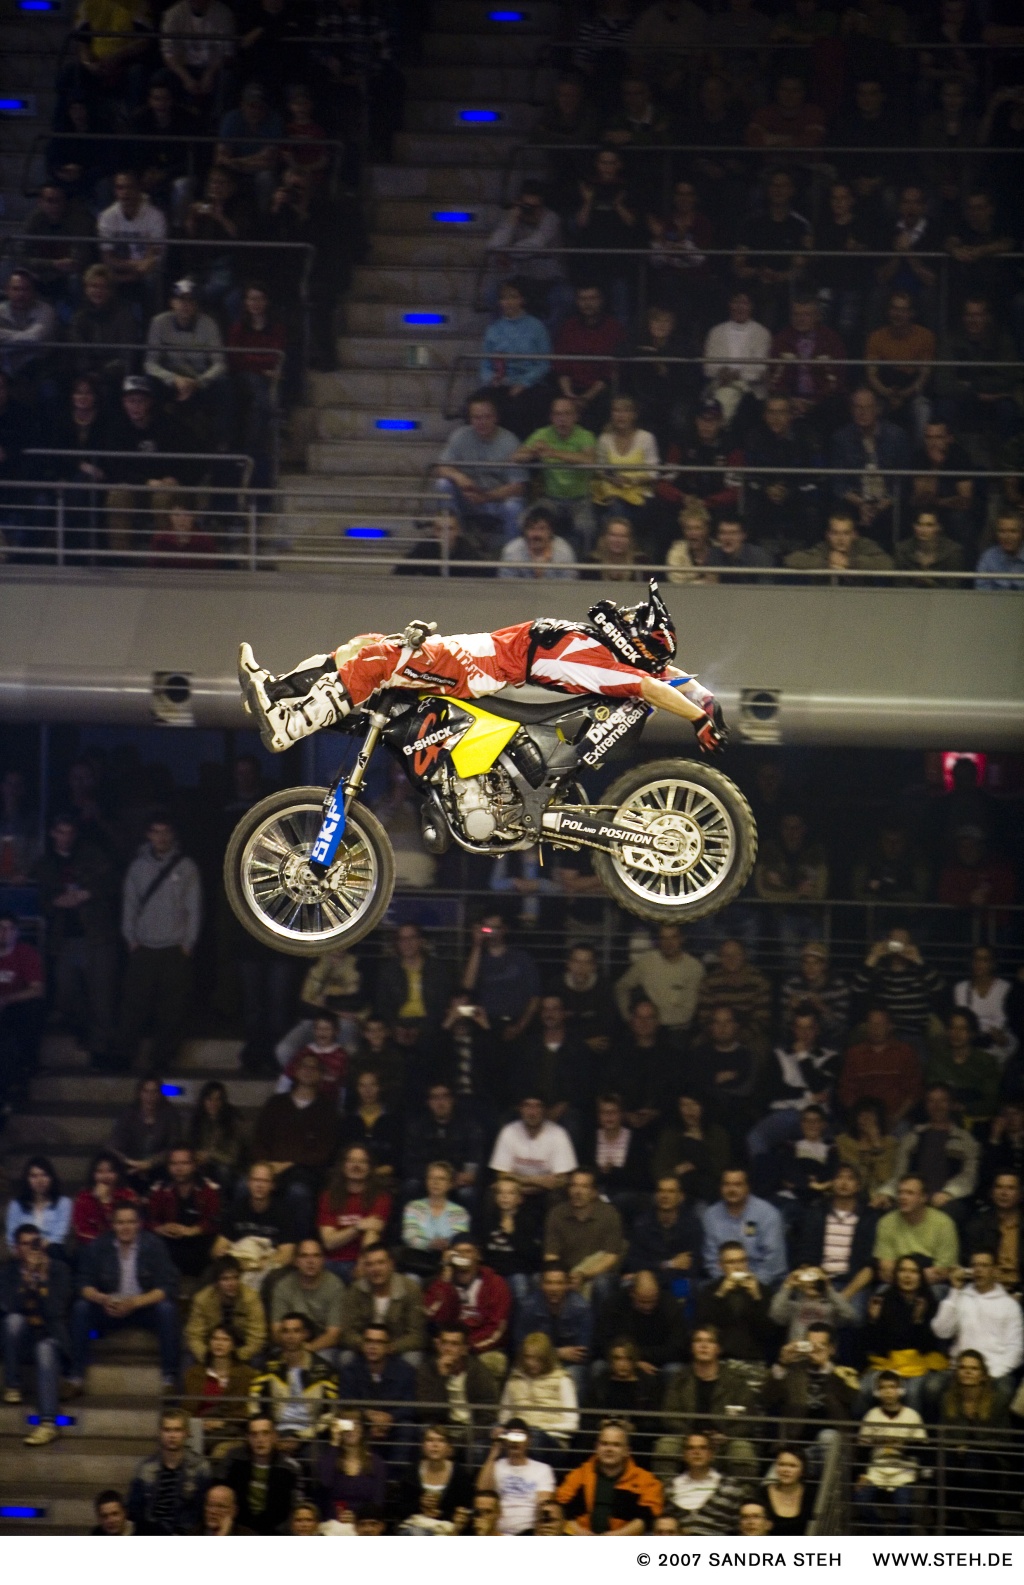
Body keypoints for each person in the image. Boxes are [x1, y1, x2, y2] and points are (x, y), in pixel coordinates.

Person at [238, 580, 728, 760]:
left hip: (479, 667)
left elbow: (649, 682)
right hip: (478, 651)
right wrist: (706, 701)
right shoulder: (605, 649)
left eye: (633, 618)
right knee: (365, 645)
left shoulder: (603, 666)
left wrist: (696, 718)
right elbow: (666, 674)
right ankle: (277, 693)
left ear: (634, 639)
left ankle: (290, 727)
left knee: (378, 660)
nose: (624, 614)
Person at [68, 1202, 180, 1393]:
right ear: (113, 1225)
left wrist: (134, 1303)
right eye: (120, 1223)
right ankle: (75, 1377)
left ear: (139, 1224)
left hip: (143, 1308)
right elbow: (82, 1283)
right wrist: (102, 1299)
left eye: (130, 1222)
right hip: (109, 1308)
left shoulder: (154, 1245)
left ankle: (169, 1378)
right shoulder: (99, 1246)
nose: (125, 1227)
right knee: (81, 1308)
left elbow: (166, 1287)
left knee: (167, 1309)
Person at [653, 1326, 759, 1479]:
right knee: (666, 1446)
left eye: (710, 1341)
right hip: (687, 1439)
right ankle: (666, 1491)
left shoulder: (735, 1381)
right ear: (692, 1347)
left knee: (742, 1450)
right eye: (698, 1341)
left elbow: (748, 1419)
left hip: (724, 1441)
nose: (703, 1345)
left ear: (718, 1348)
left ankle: (743, 1493)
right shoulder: (680, 1378)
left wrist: (726, 1435)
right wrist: (690, 1434)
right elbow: (669, 1415)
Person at [0, 1223, 72, 1446]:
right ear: (16, 1248)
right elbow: (9, 1306)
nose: (31, 1248)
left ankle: (48, 1423)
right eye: (25, 1244)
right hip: (22, 1341)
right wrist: (27, 1279)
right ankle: (13, 1385)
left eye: (35, 1243)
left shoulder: (59, 1270)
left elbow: (55, 1311)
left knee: (44, 1349)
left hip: (51, 1337)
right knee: (12, 1320)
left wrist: (42, 1277)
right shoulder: (8, 1272)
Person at [433, 395, 527, 546]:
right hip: (468, 498)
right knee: (442, 485)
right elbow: (441, 467)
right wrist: (458, 476)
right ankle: (455, 544)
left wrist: (486, 497)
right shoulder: (460, 436)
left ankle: (511, 553)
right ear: (470, 419)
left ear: (496, 418)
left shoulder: (510, 442)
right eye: (477, 417)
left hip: (497, 500)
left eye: (487, 417)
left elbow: (519, 486)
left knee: (514, 507)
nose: (482, 422)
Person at [862, 1255, 948, 1411]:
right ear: (896, 1274)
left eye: (913, 1271)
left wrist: (918, 1321)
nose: (907, 1276)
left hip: (919, 1363)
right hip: (888, 1362)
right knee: (864, 1389)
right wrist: (873, 1321)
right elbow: (875, 1347)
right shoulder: (883, 1299)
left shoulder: (928, 1301)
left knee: (912, 1392)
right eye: (903, 1270)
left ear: (920, 1276)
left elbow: (927, 1347)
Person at [881, 1086, 981, 1218]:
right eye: (931, 1101)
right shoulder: (912, 1137)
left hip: (950, 1199)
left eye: (942, 1101)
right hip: (913, 1197)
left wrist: (948, 1193)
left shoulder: (965, 1140)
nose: (937, 1106)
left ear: (951, 1104)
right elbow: (900, 1173)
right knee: (884, 1208)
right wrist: (886, 1193)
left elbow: (969, 1176)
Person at [513, 396, 598, 551]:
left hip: (580, 500)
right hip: (550, 500)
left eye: (567, 414)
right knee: (522, 520)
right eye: (557, 414)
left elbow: (589, 460)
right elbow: (516, 457)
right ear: (551, 417)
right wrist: (533, 451)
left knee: (586, 528)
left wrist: (554, 453)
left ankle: (585, 564)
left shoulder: (585, 435)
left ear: (575, 416)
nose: (562, 419)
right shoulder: (543, 434)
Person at [931, 1250, 1024, 1388]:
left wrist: (992, 1373)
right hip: (959, 1369)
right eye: (975, 1265)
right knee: (932, 1387)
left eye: (984, 1265)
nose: (979, 1270)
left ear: (995, 1270)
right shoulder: (960, 1296)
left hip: (994, 1371)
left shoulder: (1009, 1305)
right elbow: (941, 1331)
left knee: (1004, 1389)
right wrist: (955, 1291)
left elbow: (1015, 1348)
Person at [555, 1419, 663, 1534]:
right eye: (604, 1444)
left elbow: (646, 1519)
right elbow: (560, 1509)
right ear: (596, 1447)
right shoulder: (578, 1476)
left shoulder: (646, 1481)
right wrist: (581, 1534)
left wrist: (615, 1536)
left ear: (627, 1451)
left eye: (616, 1445)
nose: (609, 1449)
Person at [248, 1312, 338, 1446]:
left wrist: (301, 1437)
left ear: (305, 1334)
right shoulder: (268, 1366)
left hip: (311, 1435)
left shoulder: (323, 1369)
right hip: (274, 1433)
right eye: (285, 1331)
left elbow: (331, 1412)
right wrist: (269, 1433)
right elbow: (253, 1401)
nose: (290, 1336)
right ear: (280, 1335)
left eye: (296, 1331)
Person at [423, 1238, 511, 1376]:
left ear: (478, 1255)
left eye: (468, 1251)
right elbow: (433, 1316)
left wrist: (465, 1347)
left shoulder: (495, 1283)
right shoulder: (441, 1283)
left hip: (482, 1347)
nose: (463, 1256)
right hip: (448, 1345)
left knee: (494, 1361)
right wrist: (445, 1278)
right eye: (458, 1252)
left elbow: (497, 1329)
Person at [479, 281, 553, 441]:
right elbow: (485, 365)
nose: (509, 302)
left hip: (530, 384)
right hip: (500, 384)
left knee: (519, 408)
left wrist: (523, 383)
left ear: (522, 300)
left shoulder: (537, 327)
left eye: (513, 297)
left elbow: (544, 364)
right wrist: (491, 379)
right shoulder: (493, 329)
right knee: (478, 405)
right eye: (504, 298)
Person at [762, 1324, 858, 1445]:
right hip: (794, 1440)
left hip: (833, 1440)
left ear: (832, 1349)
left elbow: (852, 1399)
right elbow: (767, 1398)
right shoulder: (792, 1371)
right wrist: (782, 1363)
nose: (814, 1350)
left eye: (821, 1345)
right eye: (811, 1345)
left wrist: (825, 1368)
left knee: (828, 1437)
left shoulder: (845, 1372)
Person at [337, 1322, 417, 1462]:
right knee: (343, 1424)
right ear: (362, 1345)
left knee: (407, 1427)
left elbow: (410, 1406)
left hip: (393, 1425)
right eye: (368, 1341)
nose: (372, 1347)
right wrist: (368, 1415)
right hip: (360, 1423)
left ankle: (396, 1474)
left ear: (389, 1347)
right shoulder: (350, 1370)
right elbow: (345, 1403)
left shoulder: (405, 1371)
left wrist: (390, 1418)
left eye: (379, 1342)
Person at [543, 1167, 626, 1300]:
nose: (578, 1192)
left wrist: (584, 1275)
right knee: (539, 1279)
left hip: (596, 1273)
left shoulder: (609, 1214)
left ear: (594, 1192)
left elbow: (611, 1257)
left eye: (584, 1187)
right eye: (574, 1185)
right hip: (565, 1274)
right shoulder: (557, 1214)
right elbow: (551, 1255)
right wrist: (562, 1278)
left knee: (602, 1282)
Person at [851, 926, 945, 1041]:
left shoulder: (921, 971)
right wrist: (873, 956)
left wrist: (918, 960)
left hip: (912, 1033)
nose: (898, 945)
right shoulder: (879, 971)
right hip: (881, 1032)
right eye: (894, 940)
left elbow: (938, 988)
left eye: (902, 941)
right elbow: (857, 988)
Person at [212, 1161, 296, 1288]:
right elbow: (217, 1249)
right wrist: (236, 1262)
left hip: (267, 1266)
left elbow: (287, 1255)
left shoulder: (283, 1213)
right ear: (248, 1183)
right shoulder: (236, 1209)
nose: (259, 1185)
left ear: (272, 1185)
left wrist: (257, 1265)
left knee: (275, 1280)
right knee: (211, 1273)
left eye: (265, 1181)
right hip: (238, 1264)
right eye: (256, 1180)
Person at [126, 1407, 209, 1535]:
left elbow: (202, 1511)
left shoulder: (200, 1467)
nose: (172, 1435)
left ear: (186, 1433)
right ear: (160, 1433)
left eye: (177, 1430)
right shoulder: (146, 1468)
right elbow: (134, 1508)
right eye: (167, 1430)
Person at [338, 1243, 426, 1364]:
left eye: (381, 1263)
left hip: (397, 1347)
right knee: (346, 1357)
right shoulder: (355, 1290)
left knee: (412, 1359)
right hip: (364, 1347)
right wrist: (366, 1345)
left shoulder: (410, 1289)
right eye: (370, 1264)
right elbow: (347, 1333)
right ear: (364, 1268)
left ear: (391, 1265)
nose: (376, 1269)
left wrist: (389, 1348)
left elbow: (417, 1336)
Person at [615, 923, 704, 1040]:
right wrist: (629, 1017)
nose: (668, 943)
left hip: (677, 1030)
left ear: (682, 939)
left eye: (673, 937)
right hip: (646, 1027)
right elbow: (621, 987)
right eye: (663, 938)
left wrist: (654, 1020)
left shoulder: (694, 967)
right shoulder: (647, 962)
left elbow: (687, 1013)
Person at [839, 1007, 923, 1129]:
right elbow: (847, 1092)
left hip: (897, 1120)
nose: (875, 1029)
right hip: (862, 1121)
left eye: (880, 1024)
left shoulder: (905, 1052)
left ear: (890, 1026)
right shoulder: (854, 1054)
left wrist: (896, 1117)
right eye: (872, 1024)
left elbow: (914, 1092)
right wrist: (863, 1118)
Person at [593, 1269, 690, 1376]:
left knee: (674, 1370)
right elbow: (603, 1343)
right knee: (599, 1367)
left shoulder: (670, 1306)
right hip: (622, 1360)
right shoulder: (614, 1305)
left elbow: (677, 1347)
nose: (648, 1307)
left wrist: (637, 1356)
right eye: (643, 1302)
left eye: (652, 1301)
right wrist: (633, 1362)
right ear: (632, 1293)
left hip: (659, 1362)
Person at [146, 1145, 220, 1280]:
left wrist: (193, 1230)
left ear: (194, 1165)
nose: (179, 1168)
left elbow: (215, 1220)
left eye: (184, 1163)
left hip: (198, 1243)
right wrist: (160, 1228)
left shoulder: (208, 1189)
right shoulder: (160, 1189)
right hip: (169, 1244)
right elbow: (147, 1219)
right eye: (174, 1164)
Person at [703, 1170, 788, 1286]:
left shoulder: (767, 1214)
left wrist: (749, 1283)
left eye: (738, 1184)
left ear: (747, 1187)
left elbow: (774, 1263)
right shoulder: (711, 1216)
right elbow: (711, 1260)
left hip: (764, 1283)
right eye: (726, 1184)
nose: (732, 1190)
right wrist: (727, 1282)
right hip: (724, 1283)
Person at [873, 1174, 960, 1285]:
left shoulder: (944, 1223)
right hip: (896, 1284)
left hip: (932, 1285)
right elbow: (886, 1269)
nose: (903, 1197)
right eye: (900, 1193)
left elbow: (943, 1271)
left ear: (924, 1197)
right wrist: (919, 1274)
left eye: (910, 1193)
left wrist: (905, 1274)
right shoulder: (886, 1222)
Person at [269, 1237, 345, 1361]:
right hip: (289, 1344)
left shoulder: (335, 1286)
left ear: (323, 1260)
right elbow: (276, 1331)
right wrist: (294, 1347)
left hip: (322, 1346)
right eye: (304, 1256)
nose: (310, 1261)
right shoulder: (283, 1286)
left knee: (323, 1359)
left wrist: (307, 1350)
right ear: (296, 1261)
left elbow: (333, 1335)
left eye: (316, 1256)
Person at [180, 1325, 255, 1452]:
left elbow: (244, 1410)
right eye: (215, 1339)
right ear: (209, 1343)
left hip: (231, 1430)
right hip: (198, 1429)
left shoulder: (246, 1374)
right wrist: (200, 1424)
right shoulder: (194, 1373)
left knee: (221, 1450)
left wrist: (223, 1422)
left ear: (233, 1345)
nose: (219, 1343)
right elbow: (186, 1408)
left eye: (225, 1339)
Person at [498, 1333, 579, 1449]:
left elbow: (572, 1424)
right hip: (517, 1437)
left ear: (546, 1358)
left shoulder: (562, 1379)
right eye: (528, 1357)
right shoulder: (513, 1380)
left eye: (538, 1359)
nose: (531, 1363)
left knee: (535, 1438)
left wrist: (539, 1429)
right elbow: (504, 1418)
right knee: (492, 1433)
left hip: (551, 1440)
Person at [476, 1420, 555, 1535]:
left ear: (528, 1440)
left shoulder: (543, 1469)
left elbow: (543, 1506)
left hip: (529, 1532)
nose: (515, 1441)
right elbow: (482, 1491)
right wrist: (495, 1449)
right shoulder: (495, 1466)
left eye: (520, 1436)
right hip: (497, 1532)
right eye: (511, 1435)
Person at [184, 1254, 266, 1365]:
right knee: (188, 1357)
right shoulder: (202, 1300)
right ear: (216, 1282)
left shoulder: (251, 1299)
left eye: (235, 1278)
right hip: (212, 1347)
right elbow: (194, 1336)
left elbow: (257, 1338)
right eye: (225, 1279)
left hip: (241, 1347)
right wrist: (210, 1357)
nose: (231, 1283)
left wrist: (234, 1357)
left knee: (258, 1358)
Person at [490, 1095, 578, 1196]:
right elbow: (502, 1175)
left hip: (546, 1195)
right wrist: (538, 1181)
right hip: (515, 1193)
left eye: (537, 1106)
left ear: (544, 1110)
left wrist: (520, 1180)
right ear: (520, 1109)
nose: (532, 1112)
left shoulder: (558, 1134)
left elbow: (561, 1180)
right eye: (527, 1106)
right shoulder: (509, 1131)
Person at [624, 1173, 703, 1286]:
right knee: (636, 1283)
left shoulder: (692, 1225)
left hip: (678, 1282)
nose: (665, 1196)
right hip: (648, 1283)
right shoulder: (642, 1224)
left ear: (681, 1197)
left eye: (671, 1191)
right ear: (655, 1195)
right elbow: (634, 1264)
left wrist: (656, 1271)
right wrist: (670, 1264)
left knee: (686, 1286)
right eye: (661, 1191)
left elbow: (691, 1268)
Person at [313, 1406, 387, 1524]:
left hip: (363, 1525)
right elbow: (325, 1482)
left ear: (362, 1430)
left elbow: (377, 1501)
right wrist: (334, 1442)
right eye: (346, 1425)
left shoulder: (376, 1462)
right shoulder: (328, 1459)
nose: (351, 1430)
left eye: (356, 1424)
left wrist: (357, 1518)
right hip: (333, 1524)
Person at [664, 1431, 748, 1534]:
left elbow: (739, 1528)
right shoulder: (669, 1487)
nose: (696, 1452)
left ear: (711, 1454)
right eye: (690, 1448)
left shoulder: (731, 1487)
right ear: (684, 1455)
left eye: (703, 1448)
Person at [395, 1424, 475, 1532]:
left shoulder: (460, 1474)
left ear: (449, 1447)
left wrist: (441, 1514)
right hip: (415, 1528)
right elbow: (400, 1510)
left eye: (441, 1441)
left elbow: (466, 1510)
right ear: (423, 1446)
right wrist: (420, 1504)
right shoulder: (411, 1473)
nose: (435, 1445)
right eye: (430, 1440)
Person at [966, 1173, 1022, 1295]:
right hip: (987, 1289)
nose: (1004, 1193)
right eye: (999, 1187)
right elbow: (970, 1264)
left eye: (1011, 1188)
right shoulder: (977, 1224)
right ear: (992, 1192)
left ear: (1020, 1193)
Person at [3, 1155, 71, 1251]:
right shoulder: (16, 1205)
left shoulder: (63, 1203)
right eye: (34, 1176)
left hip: (52, 1252)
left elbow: (58, 1237)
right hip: (24, 1253)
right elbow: (12, 1237)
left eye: (44, 1175)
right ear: (27, 1179)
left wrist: (38, 1250)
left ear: (51, 1178)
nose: (40, 1180)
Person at [71, 1152, 139, 1245]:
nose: (105, 1176)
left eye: (110, 1171)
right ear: (93, 1174)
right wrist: (99, 1201)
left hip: (124, 1244)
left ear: (118, 1174)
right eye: (100, 1172)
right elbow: (81, 1232)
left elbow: (136, 1225)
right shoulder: (83, 1197)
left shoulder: (128, 1195)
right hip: (93, 1246)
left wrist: (105, 1201)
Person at [498, 502, 578, 581]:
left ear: (551, 531)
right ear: (524, 531)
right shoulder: (512, 552)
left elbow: (569, 586)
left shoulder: (564, 552)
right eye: (531, 528)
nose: (536, 534)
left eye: (542, 529)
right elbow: (506, 586)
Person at [759, 1446, 815, 1536]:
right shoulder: (762, 1493)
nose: (786, 1470)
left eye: (792, 1466)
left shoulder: (812, 1495)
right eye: (782, 1464)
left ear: (802, 1470)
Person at [976, 509, 1024, 590]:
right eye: (1002, 531)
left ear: (1021, 533)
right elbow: (982, 592)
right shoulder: (988, 558)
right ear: (996, 534)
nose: (1007, 536)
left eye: (1013, 531)